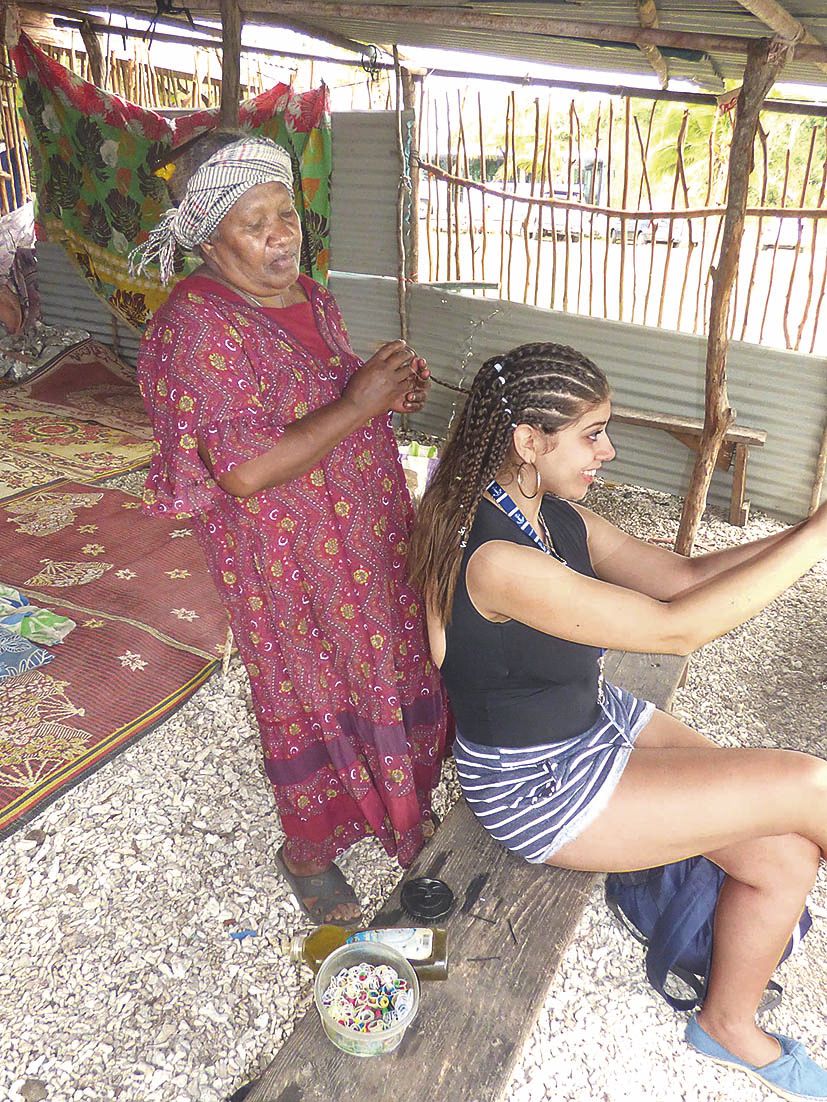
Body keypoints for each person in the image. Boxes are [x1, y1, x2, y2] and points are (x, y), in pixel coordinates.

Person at [408, 341, 827, 1101]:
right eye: (592, 432)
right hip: (539, 785)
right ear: (528, 442)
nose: (609, 448)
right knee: (808, 784)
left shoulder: (548, 513)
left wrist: (810, 531)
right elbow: (677, 629)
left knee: (787, 858)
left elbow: (683, 579)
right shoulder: (495, 557)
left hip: (595, 721)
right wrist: (814, 538)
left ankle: (725, 1026)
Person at [131, 135, 447, 926]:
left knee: (388, 655)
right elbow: (240, 471)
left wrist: (377, 388)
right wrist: (357, 403)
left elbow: (317, 391)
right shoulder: (195, 329)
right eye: (254, 223)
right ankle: (306, 850)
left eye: (285, 215)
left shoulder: (308, 294)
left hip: (363, 527)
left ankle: (403, 809)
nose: (280, 236)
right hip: (283, 553)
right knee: (309, 685)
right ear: (209, 239)